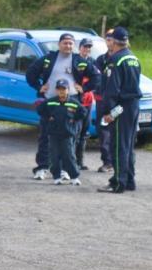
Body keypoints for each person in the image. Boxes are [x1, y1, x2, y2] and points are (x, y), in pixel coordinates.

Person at [25, 33, 100, 180]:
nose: (68, 46)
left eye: (71, 43)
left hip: (71, 103)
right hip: (50, 102)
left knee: (70, 138)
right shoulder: (48, 58)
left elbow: (97, 77)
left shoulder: (79, 60)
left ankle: (67, 169)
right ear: (59, 44)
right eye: (65, 43)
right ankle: (42, 167)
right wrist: (38, 86)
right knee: (45, 136)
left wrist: (84, 88)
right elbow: (30, 73)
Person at [97, 27, 141, 194]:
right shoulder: (134, 58)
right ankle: (129, 180)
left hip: (120, 107)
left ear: (114, 42)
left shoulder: (115, 60)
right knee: (128, 145)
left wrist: (109, 112)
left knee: (118, 146)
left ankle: (117, 182)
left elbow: (111, 89)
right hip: (133, 106)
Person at [37, 79, 86, 186]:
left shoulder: (73, 103)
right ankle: (56, 176)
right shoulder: (51, 101)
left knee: (69, 156)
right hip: (54, 134)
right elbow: (40, 109)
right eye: (59, 89)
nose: (61, 92)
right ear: (56, 90)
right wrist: (48, 117)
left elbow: (83, 112)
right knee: (54, 156)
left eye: (64, 89)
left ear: (68, 90)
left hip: (67, 134)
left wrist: (74, 119)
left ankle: (74, 177)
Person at [93, 31, 115, 173]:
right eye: (108, 39)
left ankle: (121, 163)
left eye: (113, 39)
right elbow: (96, 79)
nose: (110, 42)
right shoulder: (101, 60)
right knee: (104, 132)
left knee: (120, 134)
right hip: (103, 102)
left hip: (119, 103)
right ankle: (107, 162)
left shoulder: (124, 59)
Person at [74, 38, 98, 171]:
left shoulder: (92, 62)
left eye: (89, 47)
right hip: (76, 102)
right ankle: (71, 161)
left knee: (84, 133)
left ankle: (80, 161)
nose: (87, 49)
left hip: (88, 102)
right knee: (75, 133)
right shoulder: (74, 61)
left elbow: (97, 80)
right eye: (85, 47)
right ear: (80, 47)